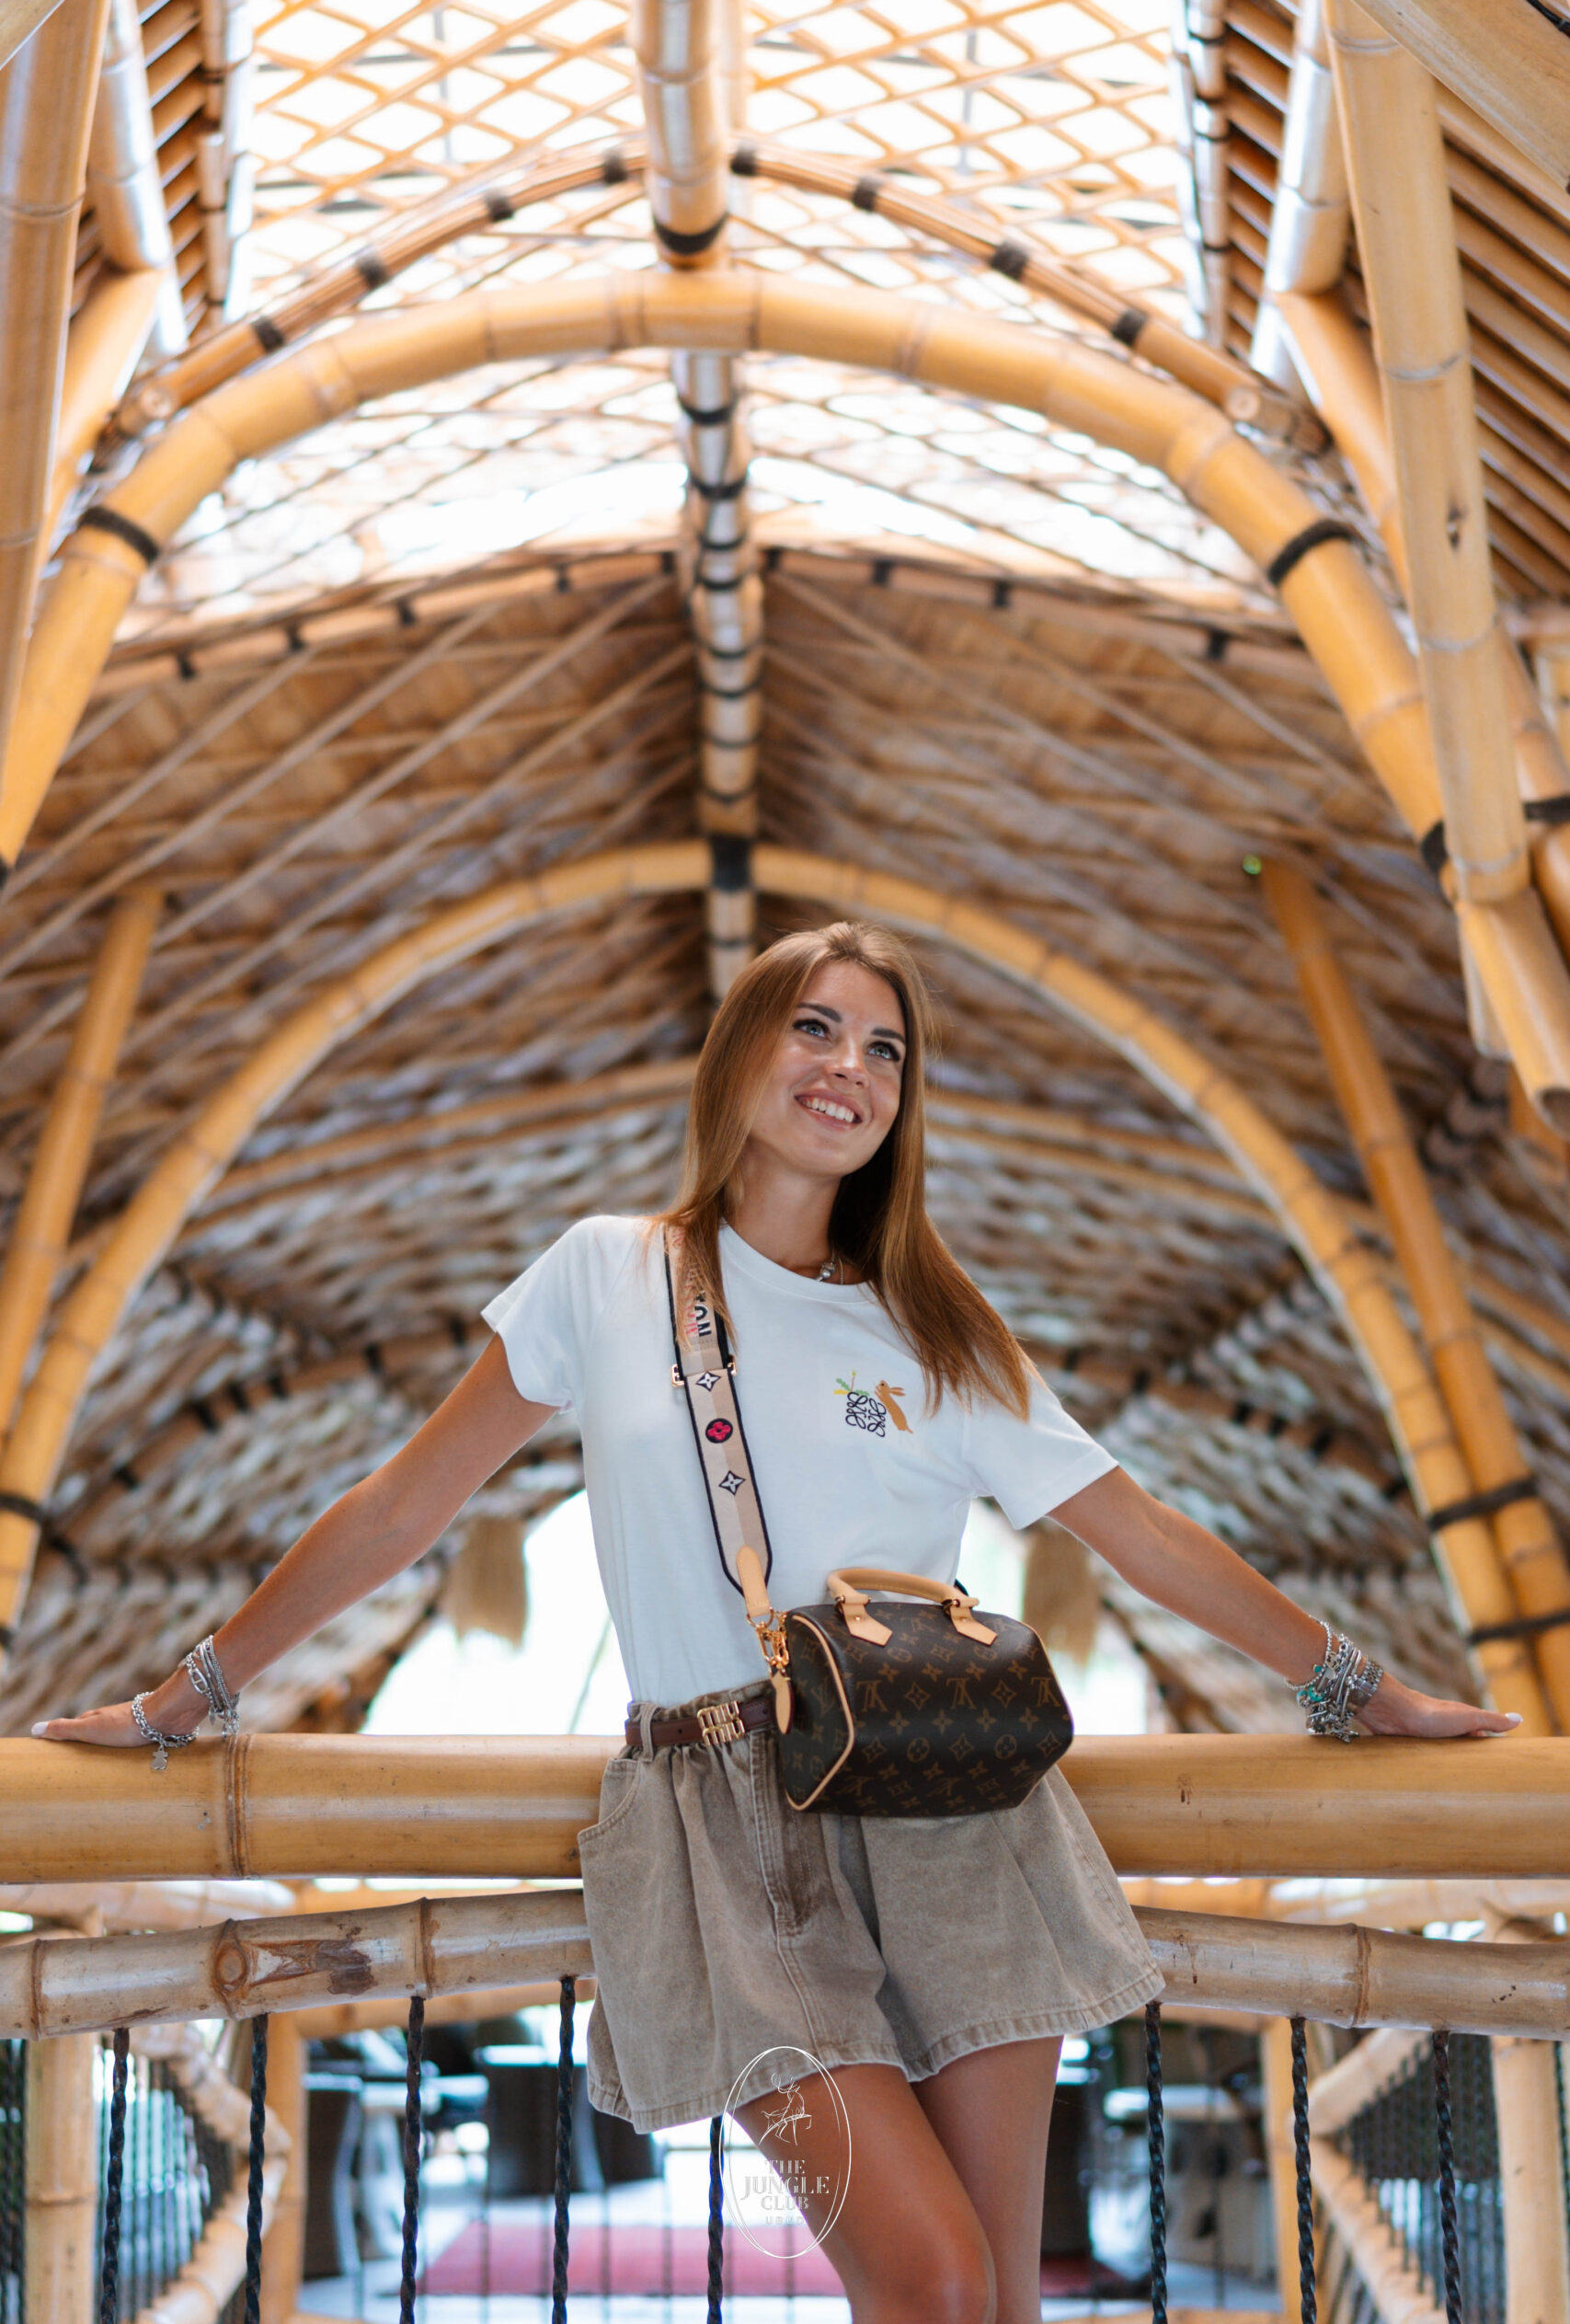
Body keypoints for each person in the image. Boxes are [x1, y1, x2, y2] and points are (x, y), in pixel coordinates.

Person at [34, 919, 1517, 2324]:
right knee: (929, 2279)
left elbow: (1143, 1538)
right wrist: (191, 1696)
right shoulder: (607, 1274)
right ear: (739, 1054)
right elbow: (397, 1508)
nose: (849, 1070)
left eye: (886, 1050)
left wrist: (1357, 1688)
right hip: (719, 1825)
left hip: (963, 1814)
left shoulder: (936, 1326)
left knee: (990, 2298)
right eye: (814, 1028)